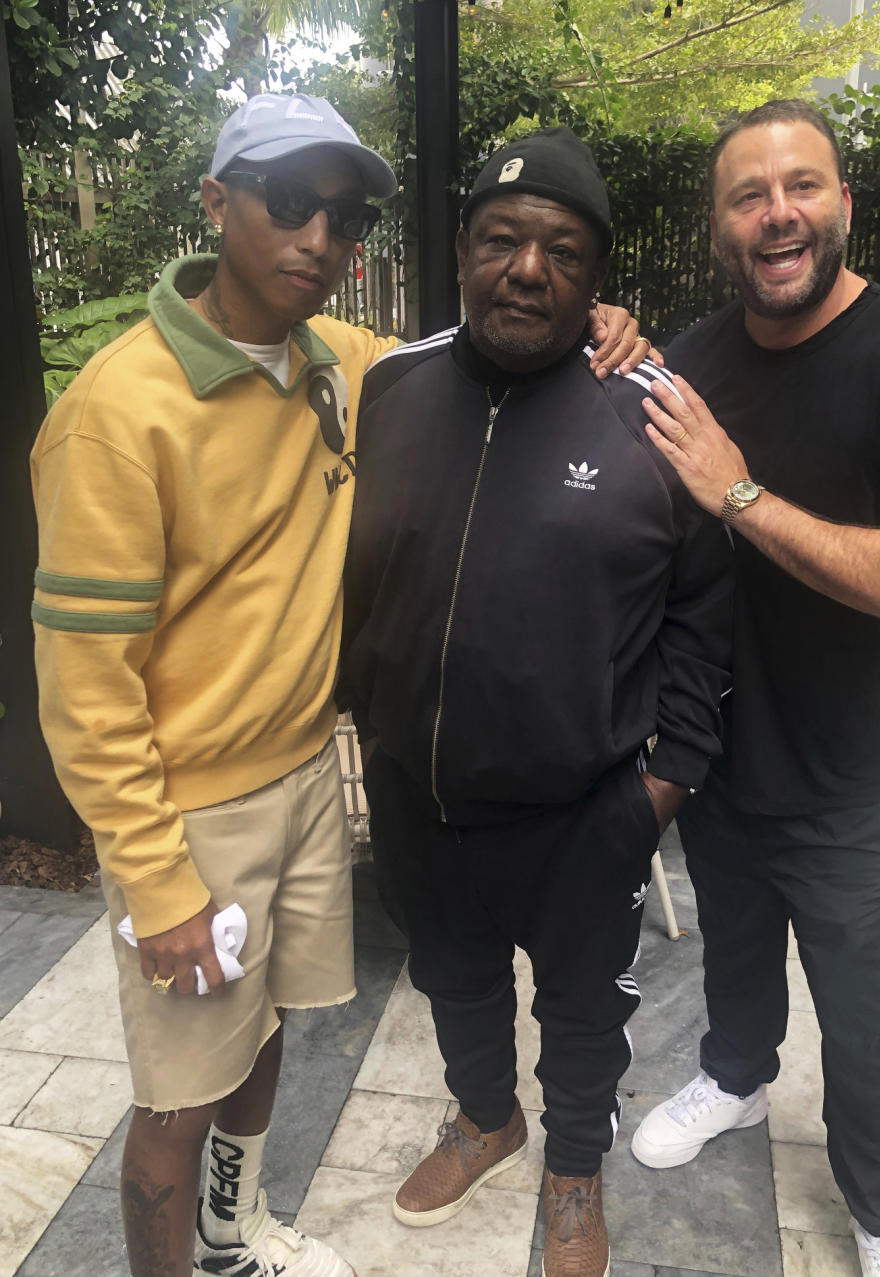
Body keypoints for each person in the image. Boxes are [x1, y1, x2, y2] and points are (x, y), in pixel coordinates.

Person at [29, 95, 653, 1277]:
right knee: (174, 1094)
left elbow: (488, 353)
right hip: (191, 809)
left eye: (344, 214)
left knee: (262, 1035)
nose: (319, 236)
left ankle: (237, 1231)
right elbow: (81, 680)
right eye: (288, 200)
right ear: (216, 202)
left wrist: (600, 322)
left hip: (313, 775)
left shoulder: (350, 366)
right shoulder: (116, 413)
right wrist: (155, 878)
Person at [340, 127, 733, 1277]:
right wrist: (374, 714)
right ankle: (483, 1116)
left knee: (583, 1011)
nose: (528, 268)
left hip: (583, 811)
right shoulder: (390, 385)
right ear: (461, 249)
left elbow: (707, 619)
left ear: (597, 280)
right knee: (452, 976)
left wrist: (662, 783)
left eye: (563, 251)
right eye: (503, 239)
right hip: (419, 791)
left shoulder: (652, 410)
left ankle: (571, 1168)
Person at [629, 99, 880, 1277]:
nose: (779, 214)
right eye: (749, 195)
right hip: (721, 746)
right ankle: (735, 1077)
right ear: (720, 226)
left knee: (862, 1002)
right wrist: (608, 336)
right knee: (733, 943)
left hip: (853, 769)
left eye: (802, 187)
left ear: (842, 206)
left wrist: (740, 491)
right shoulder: (691, 358)